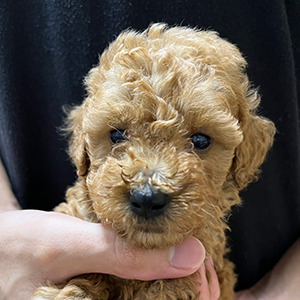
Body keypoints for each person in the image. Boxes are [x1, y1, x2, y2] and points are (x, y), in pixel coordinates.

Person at [0, 0, 299, 299]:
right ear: (84, 145)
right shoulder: (72, 221)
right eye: (117, 136)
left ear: (243, 153)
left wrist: (271, 293)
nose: (149, 189)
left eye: (199, 142)